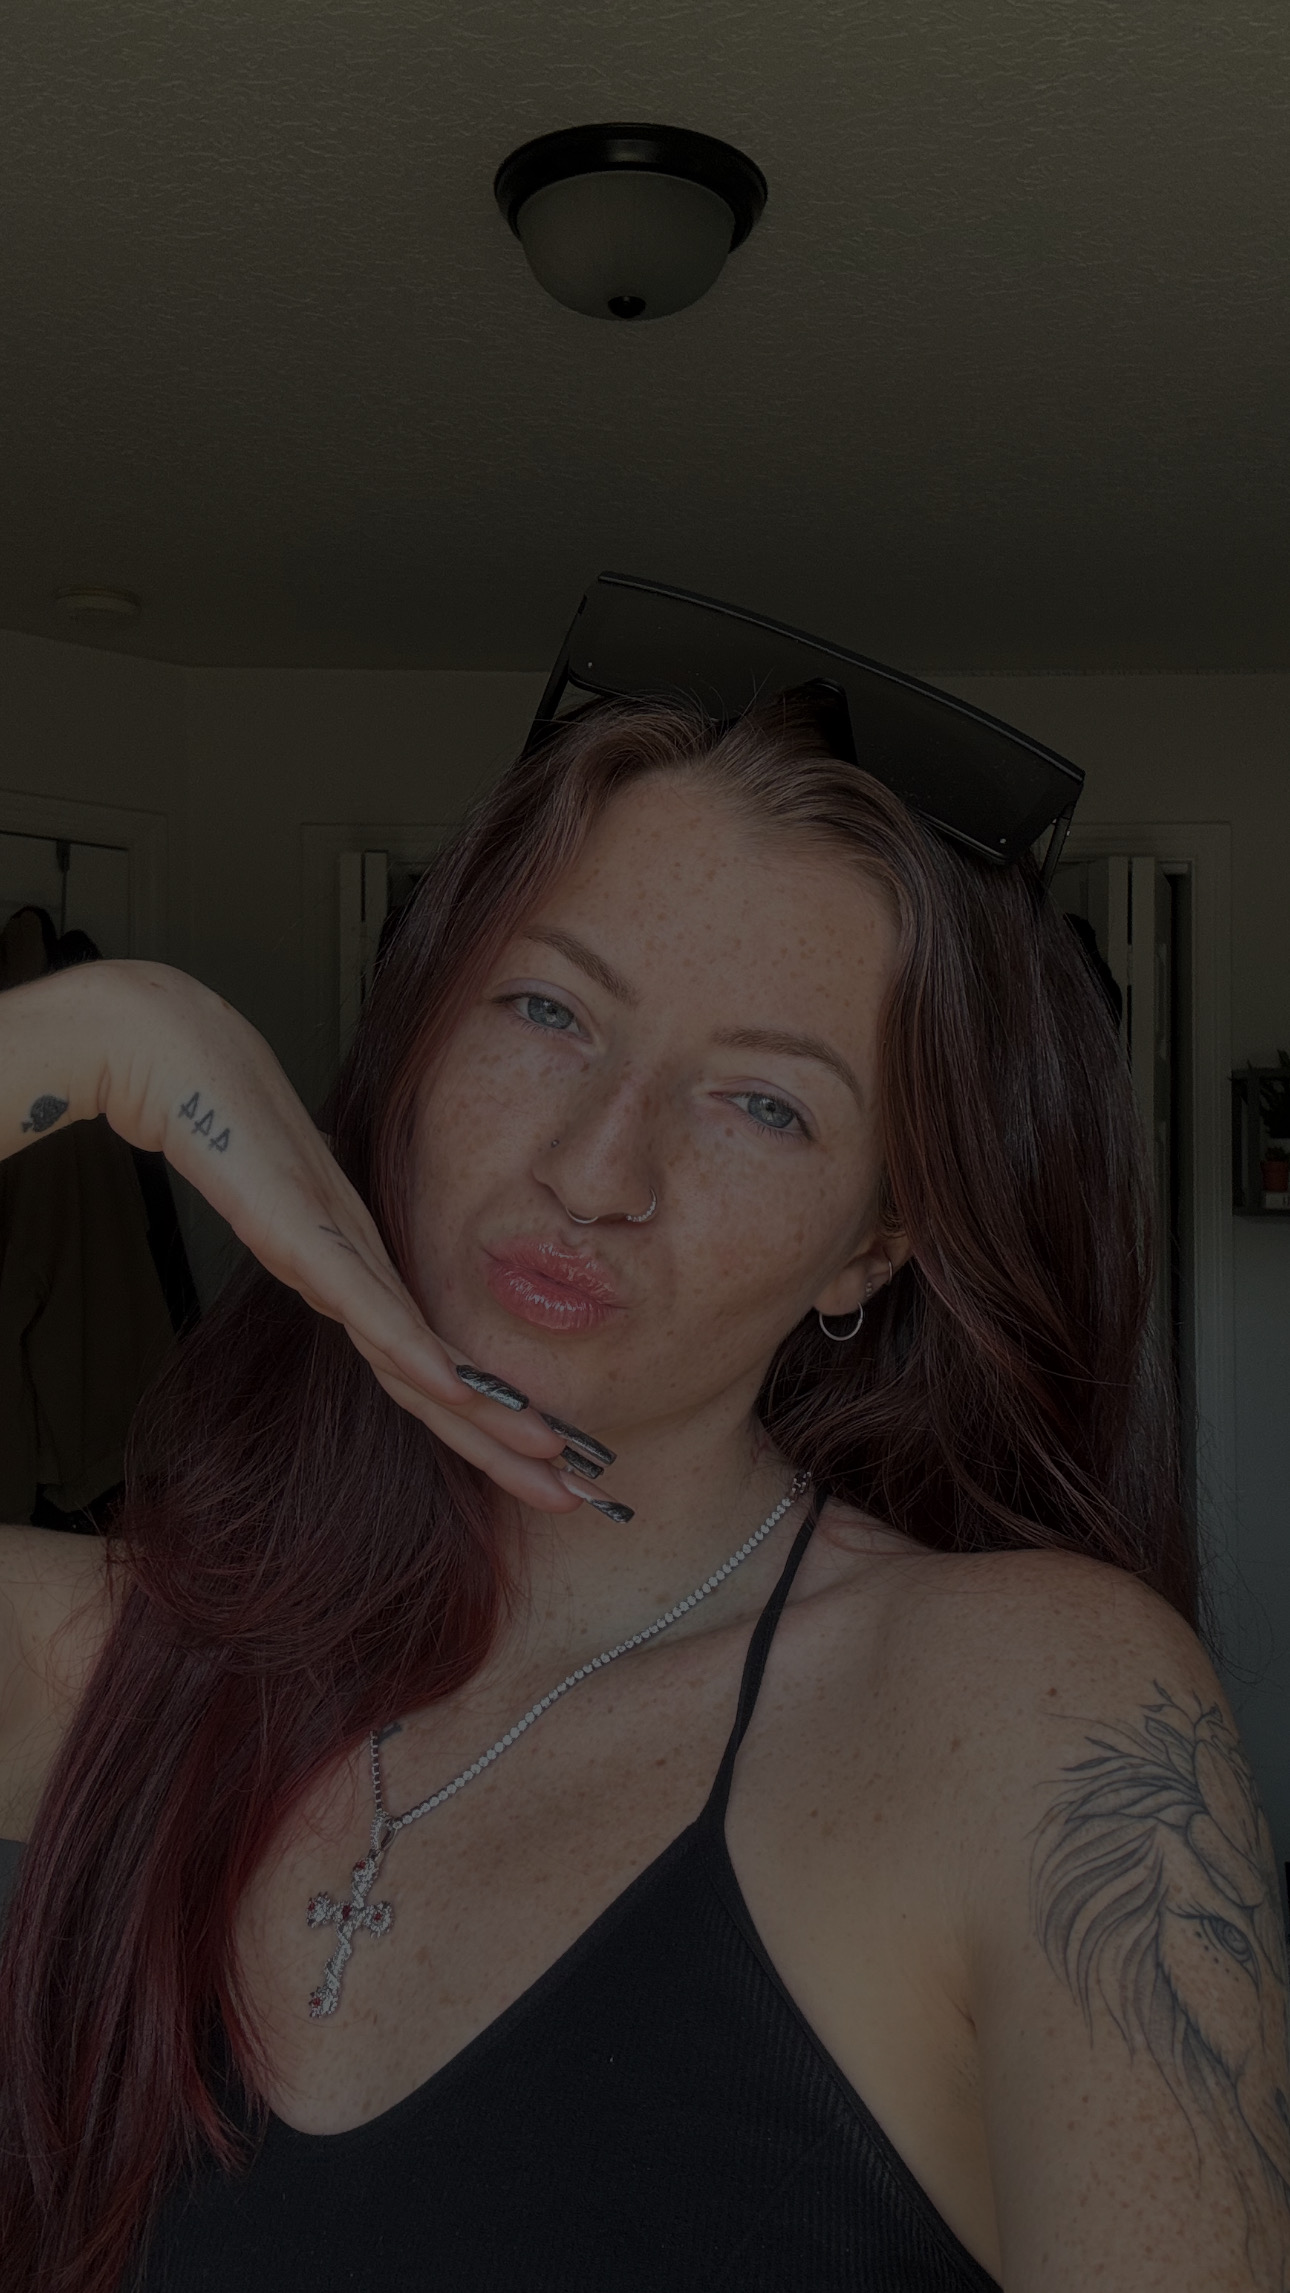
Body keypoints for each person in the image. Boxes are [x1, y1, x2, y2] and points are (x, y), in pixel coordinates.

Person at [0, 685, 1286, 2293]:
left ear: (872, 1247)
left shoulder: (1020, 1709)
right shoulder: (122, 1661)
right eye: (546, 1010)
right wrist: (99, 1037)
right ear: (422, 1038)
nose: (596, 1168)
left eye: (763, 1103)